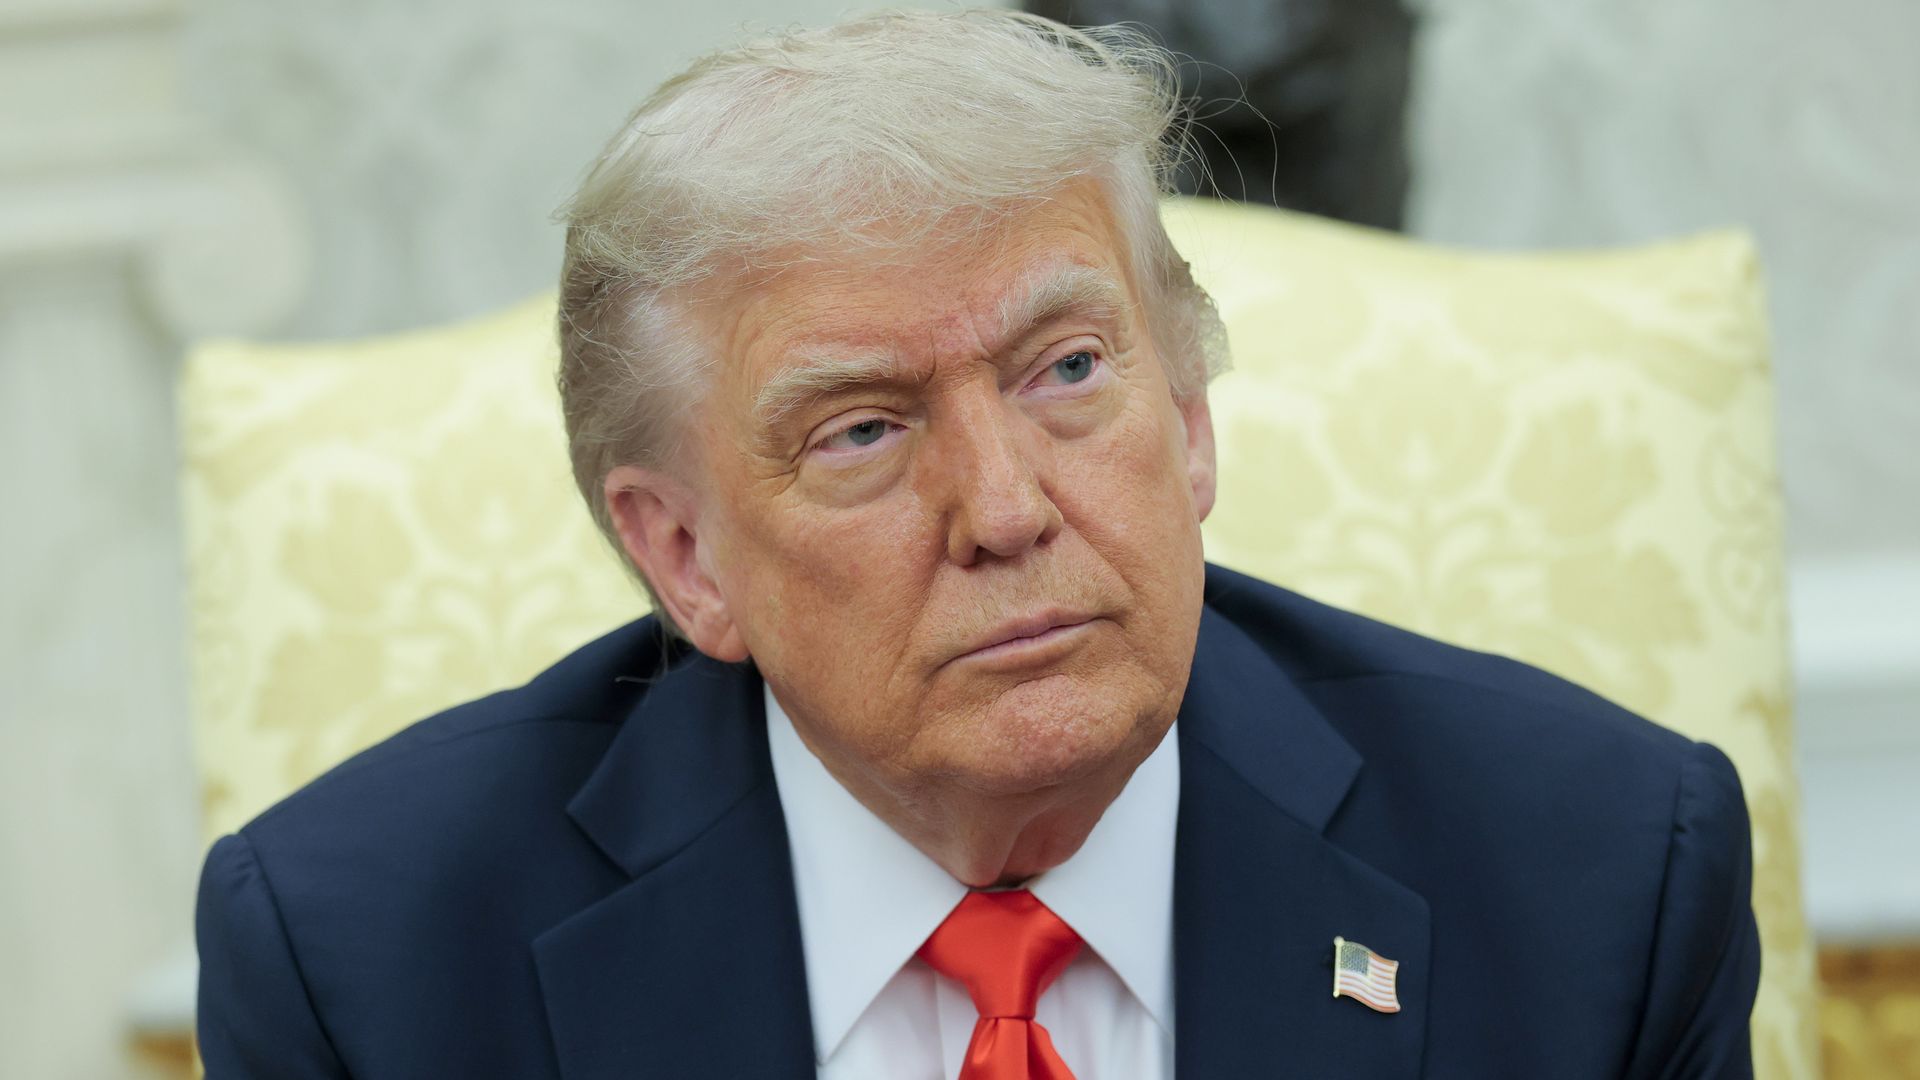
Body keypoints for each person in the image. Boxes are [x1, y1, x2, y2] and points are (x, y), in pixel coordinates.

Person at [194, 10, 1760, 1079]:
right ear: (685, 558)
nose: (1007, 511)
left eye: (1069, 370)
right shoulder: (371, 961)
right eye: (862, 430)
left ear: (1193, 419)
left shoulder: (1599, 873)